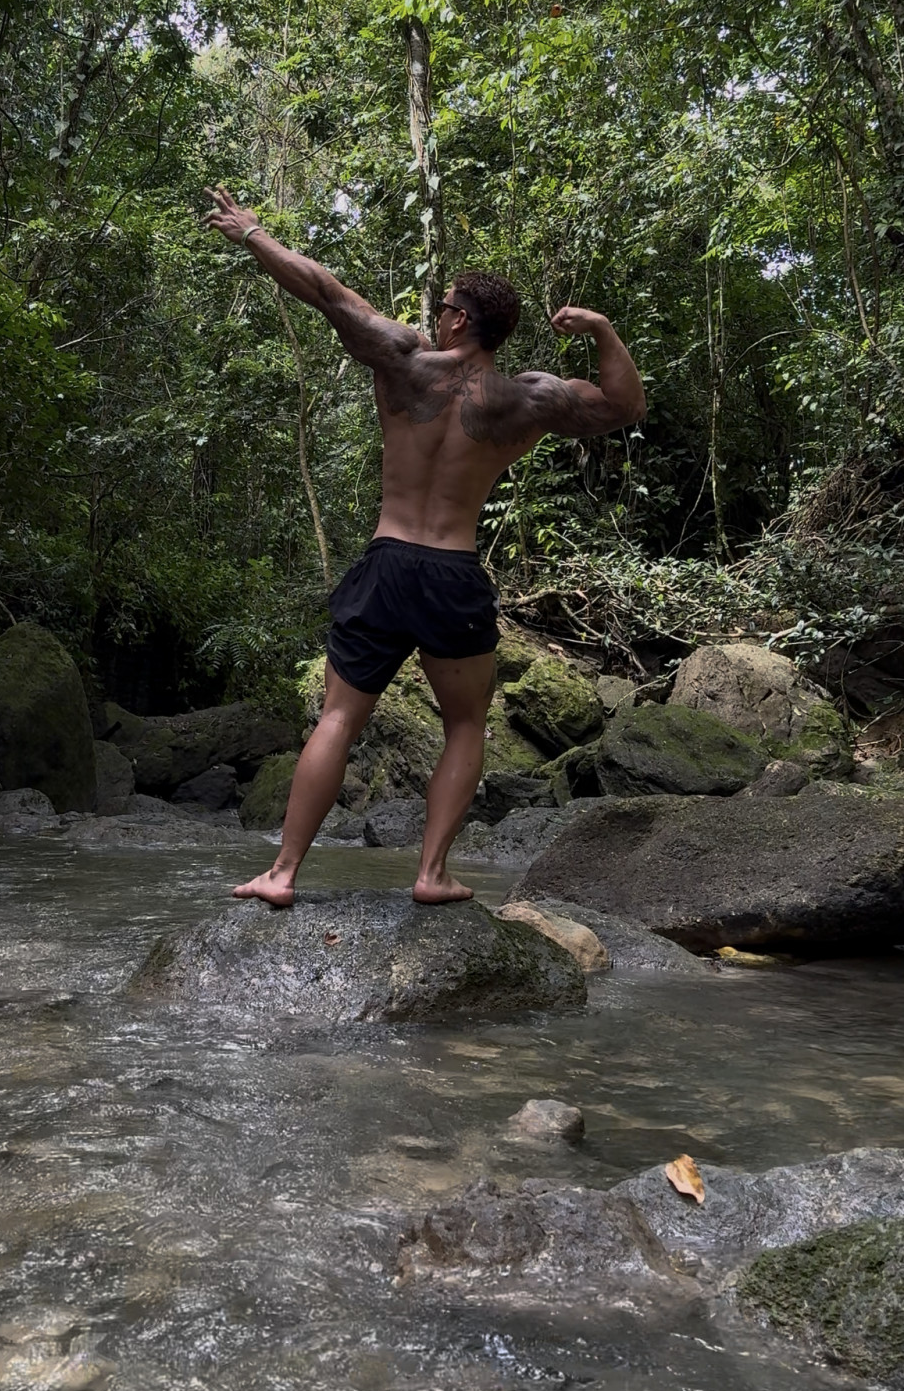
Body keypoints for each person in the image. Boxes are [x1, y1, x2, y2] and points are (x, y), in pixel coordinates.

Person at [203, 185, 646, 906]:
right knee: (466, 724)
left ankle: (281, 875)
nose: (435, 315)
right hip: (452, 572)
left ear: (460, 318)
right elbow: (625, 406)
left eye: (443, 306)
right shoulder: (528, 399)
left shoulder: (403, 360)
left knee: (340, 717)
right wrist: (599, 328)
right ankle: (432, 874)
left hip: (386, 563)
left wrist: (253, 233)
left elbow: (323, 290)